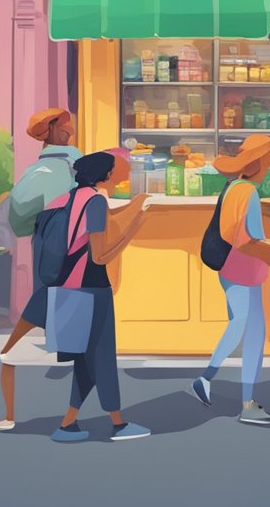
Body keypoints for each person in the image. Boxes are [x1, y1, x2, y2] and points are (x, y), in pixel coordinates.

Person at [189, 135, 270, 425]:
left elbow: (252, 217)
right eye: (269, 163)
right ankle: (214, 382)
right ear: (259, 164)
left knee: (251, 333)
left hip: (230, 268)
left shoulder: (235, 187)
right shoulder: (248, 192)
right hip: (244, 269)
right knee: (245, 331)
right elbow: (248, 239)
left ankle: (240, 397)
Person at [50, 150, 152, 443]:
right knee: (103, 357)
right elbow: (99, 255)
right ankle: (118, 424)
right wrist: (133, 229)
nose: (120, 172)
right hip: (92, 287)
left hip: (70, 286)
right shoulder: (95, 201)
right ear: (105, 175)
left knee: (86, 359)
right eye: (115, 169)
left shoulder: (74, 196)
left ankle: (67, 423)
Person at [0, 108, 82, 432]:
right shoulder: (80, 166)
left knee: (45, 302)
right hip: (81, 255)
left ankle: (12, 414)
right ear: (56, 131)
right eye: (66, 124)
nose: (71, 128)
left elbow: (18, 221)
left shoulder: (34, 174)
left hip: (48, 254)